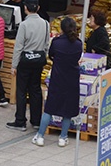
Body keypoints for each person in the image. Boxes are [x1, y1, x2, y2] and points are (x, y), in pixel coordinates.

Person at [32, 17, 82, 147]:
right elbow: (77, 58)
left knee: (49, 108)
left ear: (62, 29)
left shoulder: (57, 42)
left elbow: (51, 55)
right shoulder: (78, 44)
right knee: (68, 110)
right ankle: (63, 137)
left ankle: (40, 136)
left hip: (57, 79)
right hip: (72, 80)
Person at [7, 0, 50, 131]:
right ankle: (36, 120)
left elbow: (18, 46)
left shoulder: (24, 25)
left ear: (25, 8)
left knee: (21, 90)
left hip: (25, 60)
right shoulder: (45, 24)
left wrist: (14, 65)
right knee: (35, 89)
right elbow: (47, 44)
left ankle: (20, 120)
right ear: (38, 8)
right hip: (39, 59)